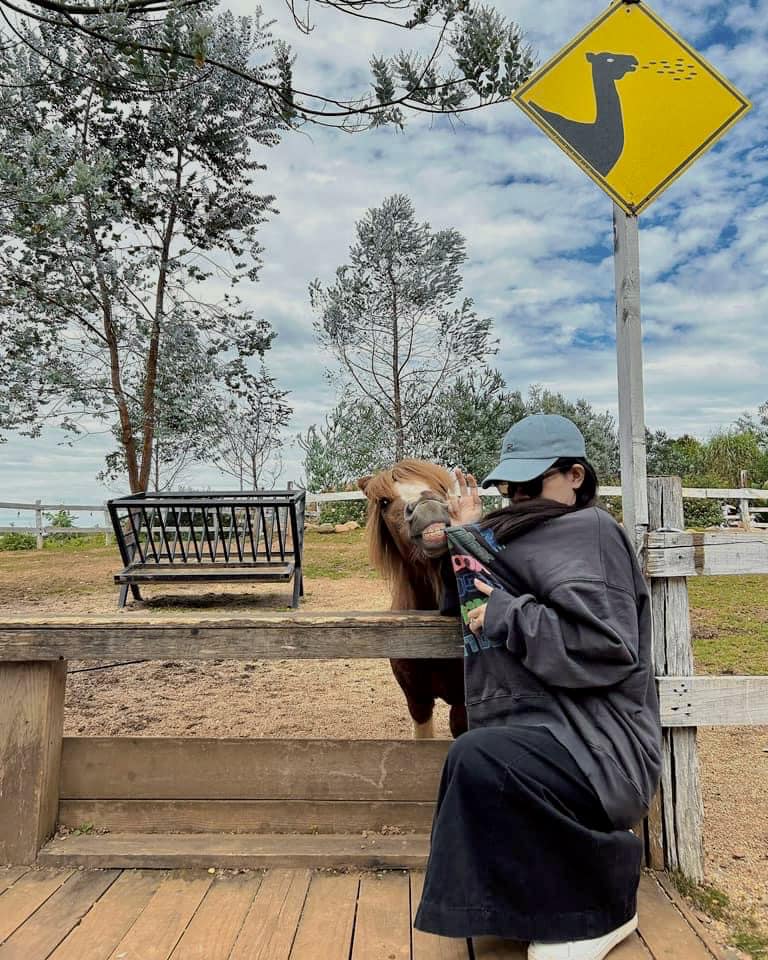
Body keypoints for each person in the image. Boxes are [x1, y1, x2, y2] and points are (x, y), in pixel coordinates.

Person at [413, 413, 662, 960]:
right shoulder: (510, 536)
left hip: (604, 744)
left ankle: (600, 910)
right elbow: (470, 606)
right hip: (549, 730)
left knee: (481, 756)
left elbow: (607, 649)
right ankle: (530, 906)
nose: (518, 497)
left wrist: (506, 611)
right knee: (470, 758)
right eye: (510, 487)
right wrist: (468, 537)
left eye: (532, 484)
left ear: (576, 475)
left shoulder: (592, 532)